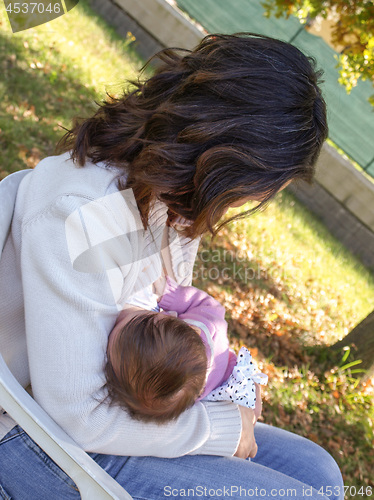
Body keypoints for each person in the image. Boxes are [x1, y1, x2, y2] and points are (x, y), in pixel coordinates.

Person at [0, 33, 344, 499]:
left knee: (318, 473)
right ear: (230, 156)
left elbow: (157, 316)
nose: (258, 199)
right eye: (261, 184)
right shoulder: (87, 211)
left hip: (108, 409)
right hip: (28, 427)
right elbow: (80, 414)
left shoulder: (166, 202)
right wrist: (222, 427)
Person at [105, 274, 266, 423]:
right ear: (166, 316)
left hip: (237, 386)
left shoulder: (208, 330)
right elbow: (209, 305)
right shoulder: (207, 326)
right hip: (231, 390)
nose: (120, 317)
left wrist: (171, 294)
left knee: (251, 410)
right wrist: (168, 293)